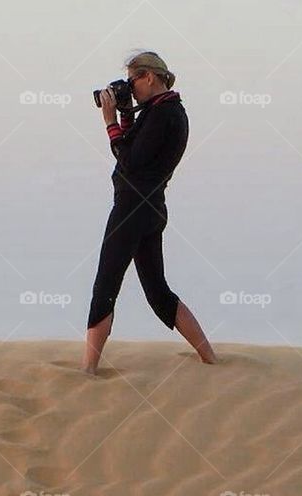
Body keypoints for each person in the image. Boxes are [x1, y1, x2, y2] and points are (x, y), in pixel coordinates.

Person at [82, 51, 219, 375]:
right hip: (151, 209)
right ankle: (210, 359)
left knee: (105, 288)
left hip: (132, 210)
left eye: (133, 81)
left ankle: (87, 372)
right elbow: (138, 149)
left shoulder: (164, 115)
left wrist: (110, 122)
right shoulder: (165, 111)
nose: (130, 88)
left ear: (149, 77)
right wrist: (127, 116)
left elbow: (130, 162)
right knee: (157, 292)